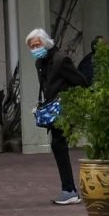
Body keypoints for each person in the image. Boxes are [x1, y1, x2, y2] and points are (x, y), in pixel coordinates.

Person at [29, 29, 76, 197]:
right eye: (32, 47)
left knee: (58, 144)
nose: (34, 49)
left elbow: (79, 81)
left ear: (46, 43)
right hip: (51, 109)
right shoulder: (40, 63)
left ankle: (69, 189)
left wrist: (66, 98)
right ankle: (68, 189)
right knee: (57, 146)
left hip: (62, 108)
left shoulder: (60, 60)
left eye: (37, 45)